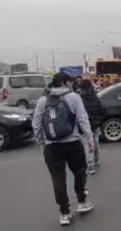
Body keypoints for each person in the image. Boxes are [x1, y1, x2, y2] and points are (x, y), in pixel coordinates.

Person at [32, 73, 95, 226]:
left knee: (58, 179)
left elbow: (36, 124)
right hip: (72, 143)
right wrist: (90, 138)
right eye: (71, 82)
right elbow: (82, 118)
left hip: (52, 146)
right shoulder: (74, 97)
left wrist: (42, 141)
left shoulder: (42, 100)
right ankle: (81, 201)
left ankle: (64, 213)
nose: (72, 85)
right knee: (80, 171)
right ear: (65, 82)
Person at [79, 79, 103, 174]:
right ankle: (96, 160)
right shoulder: (95, 97)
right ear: (90, 87)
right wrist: (98, 121)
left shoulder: (79, 98)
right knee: (95, 142)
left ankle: (90, 165)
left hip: (84, 125)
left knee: (87, 144)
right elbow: (101, 110)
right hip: (95, 124)